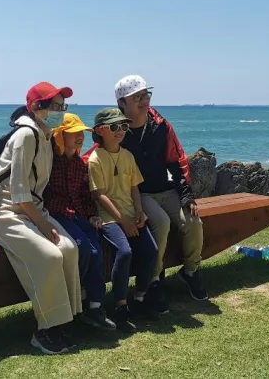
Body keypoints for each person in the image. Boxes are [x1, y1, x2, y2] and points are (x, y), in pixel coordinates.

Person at [0, 82, 82, 355]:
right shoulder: (26, 135)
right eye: (54, 106)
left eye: (63, 107)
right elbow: (18, 194)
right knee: (50, 256)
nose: (59, 112)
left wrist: (43, 221)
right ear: (37, 108)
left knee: (69, 249)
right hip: (4, 212)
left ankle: (64, 319)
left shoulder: (46, 135)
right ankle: (45, 330)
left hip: (31, 208)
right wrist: (44, 225)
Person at [116, 75, 208, 309]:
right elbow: (97, 157)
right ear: (121, 104)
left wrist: (186, 195)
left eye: (146, 94)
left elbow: (177, 160)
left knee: (193, 222)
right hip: (140, 194)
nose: (143, 100)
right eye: (136, 97)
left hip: (166, 190)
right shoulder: (118, 130)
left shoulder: (161, 126)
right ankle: (153, 281)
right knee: (161, 222)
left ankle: (191, 271)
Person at [43, 112, 116, 330]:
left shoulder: (78, 163)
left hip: (78, 214)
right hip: (57, 214)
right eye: (73, 133)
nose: (80, 137)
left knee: (96, 249)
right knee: (85, 249)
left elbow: (84, 194)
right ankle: (78, 296)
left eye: (81, 133)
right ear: (60, 135)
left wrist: (93, 214)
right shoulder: (50, 162)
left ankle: (94, 305)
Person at [89, 107, 159, 331]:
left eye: (124, 126)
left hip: (131, 214)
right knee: (124, 251)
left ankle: (139, 298)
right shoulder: (95, 159)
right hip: (110, 218)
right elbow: (98, 195)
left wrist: (138, 212)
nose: (120, 131)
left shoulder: (127, 156)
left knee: (151, 250)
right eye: (115, 127)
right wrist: (122, 220)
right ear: (100, 130)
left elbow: (134, 188)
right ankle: (120, 306)